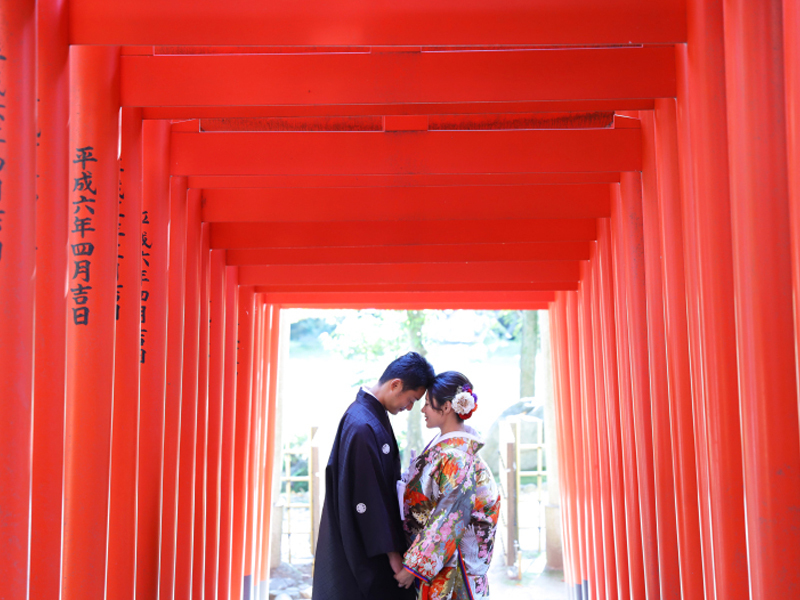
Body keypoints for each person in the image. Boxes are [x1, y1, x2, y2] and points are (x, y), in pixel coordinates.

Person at [312, 351, 436, 600]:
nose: (410, 407)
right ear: (396, 385)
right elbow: (367, 499)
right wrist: (392, 554)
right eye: (411, 399)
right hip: (366, 545)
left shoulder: (367, 416)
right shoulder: (362, 425)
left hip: (368, 537)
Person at [394, 371, 500, 600]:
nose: (423, 410)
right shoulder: (449, 450)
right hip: (443, 562)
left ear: (447, 407)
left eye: (428, 405)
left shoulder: (456, 457)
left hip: (454, 568)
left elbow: (449, 518)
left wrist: (413, 567)